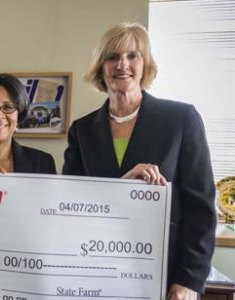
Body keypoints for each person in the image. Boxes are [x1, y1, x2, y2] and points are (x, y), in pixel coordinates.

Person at [62, 23, 216, 300]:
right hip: (96, 272)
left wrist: (189, 280)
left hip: (166, 276)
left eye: (133, 56)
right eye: (112, 57)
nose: (122, 64)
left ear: (145, 65)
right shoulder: (82, 130)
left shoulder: (181, 119)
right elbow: (72, 206)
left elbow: (200, 207)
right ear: (101, 67)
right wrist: (121, 186)